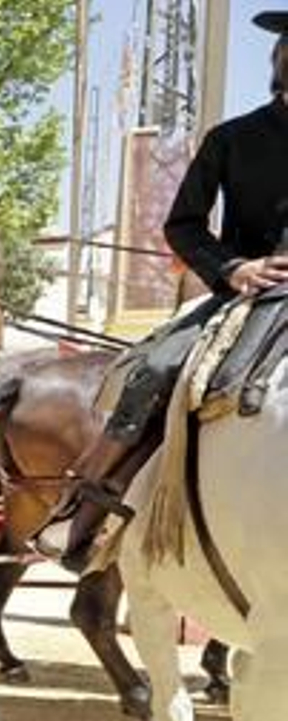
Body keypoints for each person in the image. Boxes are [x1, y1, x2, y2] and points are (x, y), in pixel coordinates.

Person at [38, 10, 288, 572]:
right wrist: (234, 268)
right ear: (282, 61)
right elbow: (184, 225)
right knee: (154, 366)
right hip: (247, 292)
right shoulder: (233, 139)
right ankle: (85, 508)